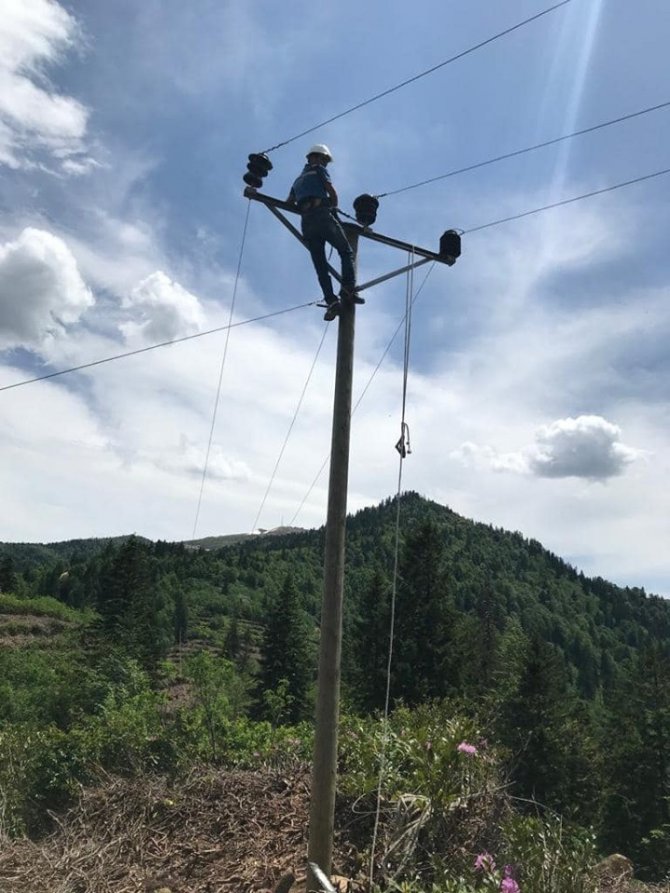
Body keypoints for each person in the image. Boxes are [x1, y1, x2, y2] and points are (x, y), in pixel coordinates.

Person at [287, 144, 364, 320]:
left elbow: (289, 202)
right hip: (322, 215)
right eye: (325, 160)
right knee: (345, 251)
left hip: (306, 223)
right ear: (318, 158)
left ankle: (331, 301)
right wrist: (333, 206)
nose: (325, 164)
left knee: (320, 265)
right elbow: (331, 191)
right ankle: (348, 289)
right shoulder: (319, 170)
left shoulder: (297, 181)